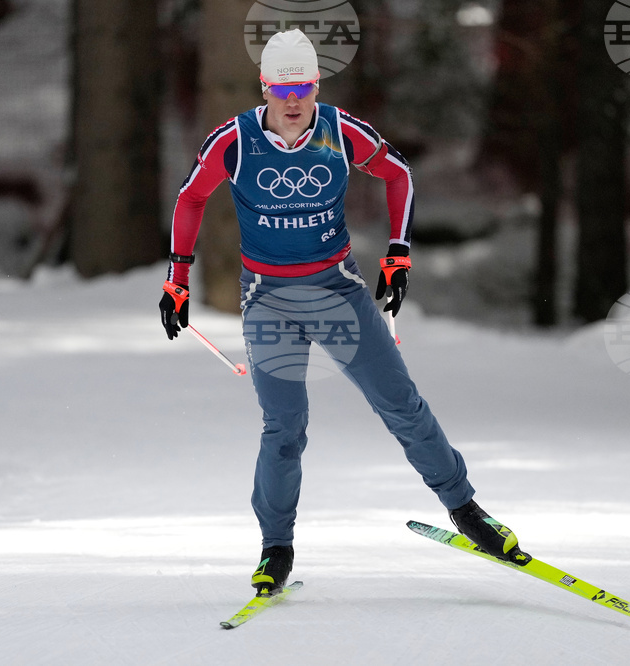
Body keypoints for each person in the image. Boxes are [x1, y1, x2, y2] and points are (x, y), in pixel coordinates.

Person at [159, 29, 528, 596]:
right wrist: (177, 281)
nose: (291, 101)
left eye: (302, 88)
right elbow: (190, 197)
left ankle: (467, 510)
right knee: (284, 427)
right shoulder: (233, 141)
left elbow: (398, 173)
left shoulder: (337, 130)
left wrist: (399, 255)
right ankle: (274, 548)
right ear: (265, 89)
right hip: (269, 300)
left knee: (400, 404)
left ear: (315, 86)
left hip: (336, 292)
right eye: (281, 89)